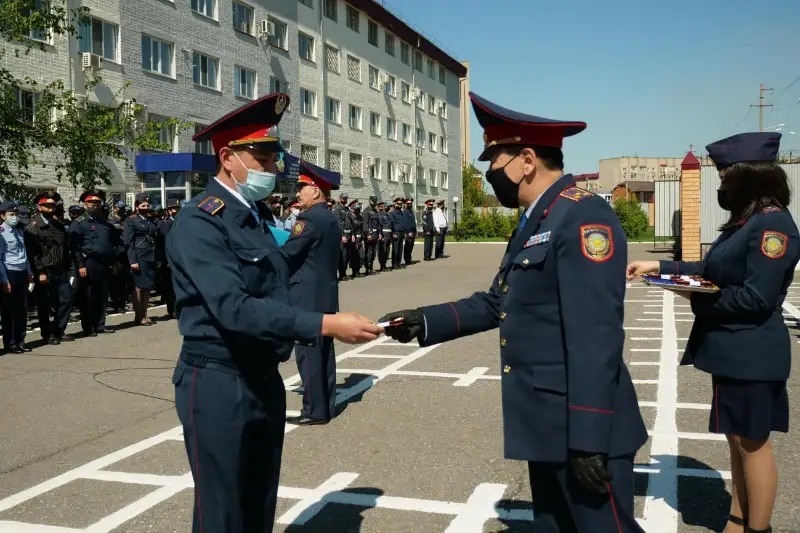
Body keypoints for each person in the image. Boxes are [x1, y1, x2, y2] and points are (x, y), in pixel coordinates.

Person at [379, 91, 647, 533]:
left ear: (526, 160)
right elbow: (498, 302)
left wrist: (588, 436)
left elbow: (596, 334)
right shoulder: (538, 219)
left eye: (493, 165)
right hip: (546, 421)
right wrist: (423, 319)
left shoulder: (581, 217)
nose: (488, 177)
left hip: (580, 425)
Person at [165, 93, 382, 533]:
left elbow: (276, 288)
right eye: (263, 157)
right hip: (218, 380)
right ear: (228, 158)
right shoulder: (200, 221)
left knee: (259, 502)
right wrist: (325, 324)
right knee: (222, 514)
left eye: (275, 157)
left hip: (262, 374)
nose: (274, 167)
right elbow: (235, 309)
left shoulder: (253, 216)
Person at [627, 132, 799, 533]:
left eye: (724, 175)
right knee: (738, 443)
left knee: (754, 445)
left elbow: (756, 298)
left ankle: (758, 528)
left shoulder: (773, 227)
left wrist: (697, 299)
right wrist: (662, 270)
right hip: (733, 352)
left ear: (748, 177)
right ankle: (738, 519)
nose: (720, 184)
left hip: (753, 354)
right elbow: (712, 269)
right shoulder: (746, 222)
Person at [283, 160, 342, 425]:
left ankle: (314, 411)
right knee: (324, 354)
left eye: (302, 188)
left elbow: (289, 254)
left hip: (305, 296)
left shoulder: (308, 219)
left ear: (315, 191)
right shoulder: (329, 217)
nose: (298, 194)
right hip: (324, 294)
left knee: (308, 356)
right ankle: (326, 406)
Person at [24, 191, 75, 345]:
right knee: (45, 305)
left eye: (53, 205)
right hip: (45, 271)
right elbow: (33, 253)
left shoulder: (59, 226)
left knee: (66, 300)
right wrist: (39, 272)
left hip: (60, 270)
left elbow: (65, 249)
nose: (51, 208)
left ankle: (59, 330)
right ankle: (48, 334)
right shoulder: (33, 227)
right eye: (47, 205)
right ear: (39, 207)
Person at [70, 189, 118, 337]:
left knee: (102, 296)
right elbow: (75, 247)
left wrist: (113, 262)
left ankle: (100, 324)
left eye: (97, 202)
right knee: (88, 297)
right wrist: (81, 265)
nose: (95, 205)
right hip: (89, 263)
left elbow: (110, 245)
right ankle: (89, 327)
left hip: (104, 263)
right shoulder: (79, 223)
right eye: (91, 202)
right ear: (85, 204)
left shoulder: (103, 222)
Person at [0, 201, 33, 353]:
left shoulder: (19, 231)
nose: (15, 217)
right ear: (2, 216)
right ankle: (10, 343)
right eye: (11, 215)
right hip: (9, 272)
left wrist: (29, 272)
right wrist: (5, 281)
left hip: (21, 272)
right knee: (10, 311)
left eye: (16, 214)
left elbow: (23, 254)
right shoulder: (1, 233)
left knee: (22, 309)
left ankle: (21, 340)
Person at [124, 193, 159, 326]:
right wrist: (133, 260)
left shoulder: (149, 220)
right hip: (139, 256)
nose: (146, 207)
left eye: (147, 205)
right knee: (139, 287)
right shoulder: (131, 220)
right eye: (143, 205)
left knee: (148, 287)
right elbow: (129, 241)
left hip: (150, 256)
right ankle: (139, 316)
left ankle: (145, 313)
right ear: (137, 206)